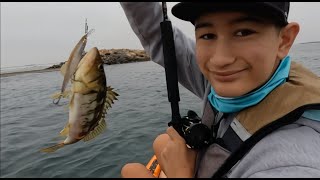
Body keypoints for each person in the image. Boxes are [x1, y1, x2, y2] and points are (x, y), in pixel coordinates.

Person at [119, 2, 320, 178]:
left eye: (243, 32)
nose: (220, 60)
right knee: (157, 146)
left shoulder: (294, 162)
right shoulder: (223, 81)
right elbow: (158, 33)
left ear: (284, 40)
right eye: (207, 35)